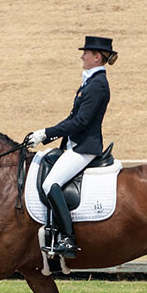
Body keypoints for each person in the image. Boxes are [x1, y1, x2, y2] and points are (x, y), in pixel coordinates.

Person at [27, 36, 118, 258]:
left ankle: (68, 238)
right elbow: (73, 118)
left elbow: (80, 122)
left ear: (97, 57)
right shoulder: (89, 82)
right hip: (73, 145)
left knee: (50, 184)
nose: (82, 56)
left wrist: (45, 133)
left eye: (85, 53)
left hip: (84, 148)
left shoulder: (97, 85)